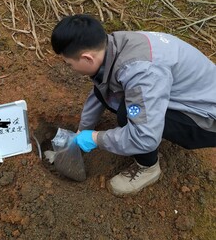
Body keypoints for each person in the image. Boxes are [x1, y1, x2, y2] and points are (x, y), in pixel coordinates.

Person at [51, 14, 216, 196]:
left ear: (87, 58)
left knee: (127, 115)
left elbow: (145, 137)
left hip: (207, 118)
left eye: (69, 64)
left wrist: (96, 138)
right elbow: (100, 90)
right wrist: (81, 133)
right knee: (116, 97)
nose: (69, 69)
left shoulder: (140, 72)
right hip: (186, 90)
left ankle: (148, 168)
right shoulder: (114, 44)